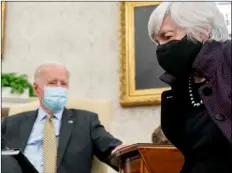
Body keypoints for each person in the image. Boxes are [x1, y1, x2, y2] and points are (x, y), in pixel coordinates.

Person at [148, 2, 231, 173]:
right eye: (157, 42)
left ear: (202, 30)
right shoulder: (182, 86)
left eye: (168, 37)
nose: (161, 48)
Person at [1, 62, 126, 173]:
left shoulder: (86, 122)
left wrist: (126, 152)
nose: (59, 88)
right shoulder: (12, 123)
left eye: (64, 84)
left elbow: (113, 149)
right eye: (52, 83)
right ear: (36, 89)